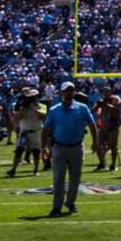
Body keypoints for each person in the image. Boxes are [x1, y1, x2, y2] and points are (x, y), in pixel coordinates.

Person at [42, 82, 94, 217]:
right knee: (58, 178)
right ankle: (56, 206)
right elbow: (46, 128)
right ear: (62, 93)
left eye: (71, 90)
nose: (69, 93)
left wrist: (96, 142)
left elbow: (92, 124)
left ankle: (70, 202)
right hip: (59, 147)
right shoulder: (54, 110)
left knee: (75, 178)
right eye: (67, 91)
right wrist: (43, 147)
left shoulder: (82, 108)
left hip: (76, 146)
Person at [7, 89, 45, 178]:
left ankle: (35, 170)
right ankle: (13, 169)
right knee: (19, 151)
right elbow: (16, 117)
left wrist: (32, 106)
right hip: (24, 132)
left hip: (36, 132)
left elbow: (43, 116)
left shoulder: (42, 106)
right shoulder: (24, 108)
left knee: (36, 152)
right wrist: (22, 107)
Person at [92, 87, 121, 172]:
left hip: (113, 127)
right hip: (103, 126)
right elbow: (93, 110)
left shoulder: (115, 98)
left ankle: (113, 165)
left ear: (110, 92)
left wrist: (106, 104)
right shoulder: (101, 101)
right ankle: (102, 163)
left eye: (107, 92)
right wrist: (98, 105)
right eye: (104, 92)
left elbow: (116, 109)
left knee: (113, 146)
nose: (105, 94)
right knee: (98, 144)